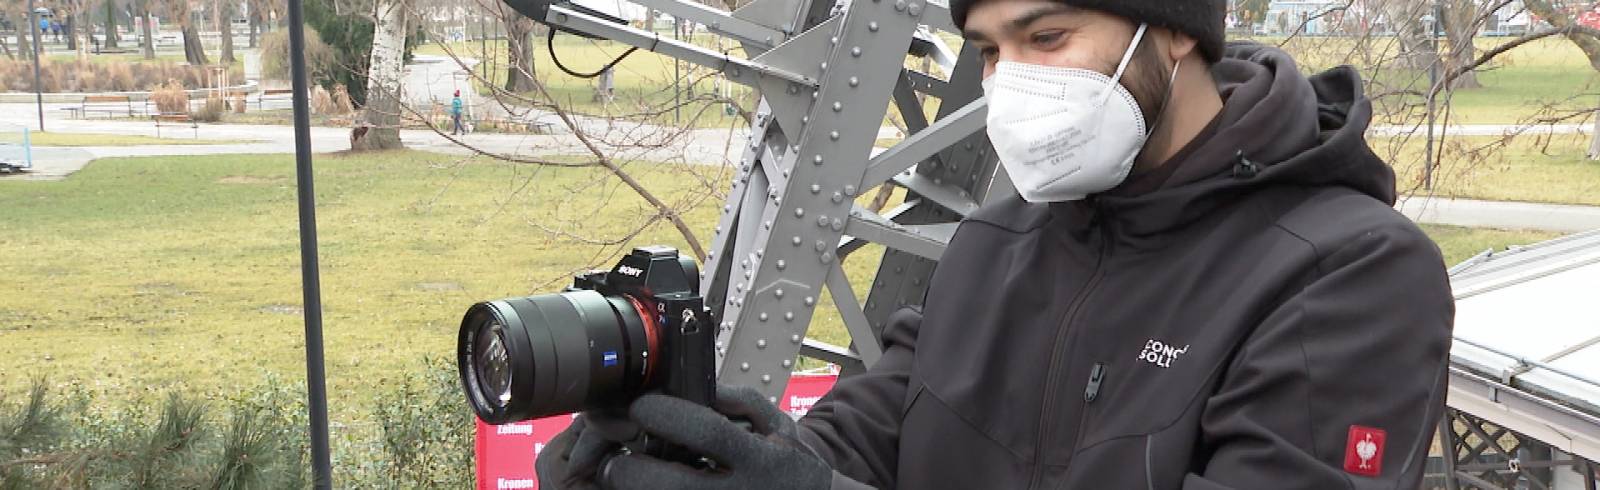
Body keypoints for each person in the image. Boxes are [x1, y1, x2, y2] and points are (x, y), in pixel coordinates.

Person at [536, 0, 1456, 488]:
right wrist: (690, 453)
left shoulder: (1352, 276)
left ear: (1174, 32)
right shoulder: (991, 245)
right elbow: (855, 444)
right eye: (987, 50)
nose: (1011, 83)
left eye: (1046, 35)